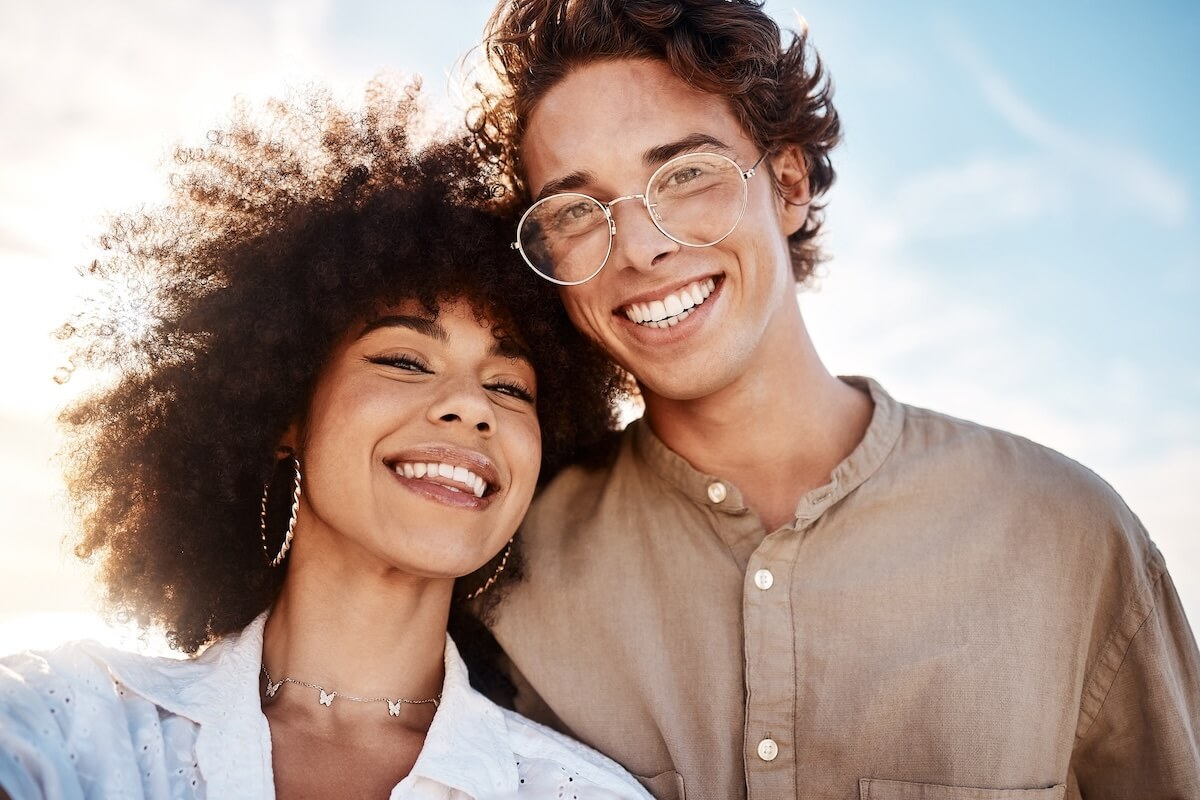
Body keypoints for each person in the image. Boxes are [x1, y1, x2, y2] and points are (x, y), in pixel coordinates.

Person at [467, 1, 1200, 798]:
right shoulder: (509, 565)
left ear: (788, 183)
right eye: (577, 210)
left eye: (684, 176)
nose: (641, 248)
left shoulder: (1069, 537)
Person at [0, 82, 654, 800]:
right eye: (404, 361)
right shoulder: (70, 727)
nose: (471, 407)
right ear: (287, 414)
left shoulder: (578, 791)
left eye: (510, 387)